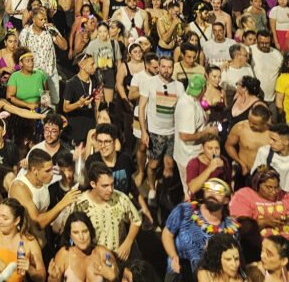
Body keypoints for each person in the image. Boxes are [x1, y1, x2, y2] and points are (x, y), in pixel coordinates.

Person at [161, 180, 239, 281]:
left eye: (218, 191)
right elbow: (167, 234)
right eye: (208, 188)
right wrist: (173, 256)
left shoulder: (230, 228)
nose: (212, 194)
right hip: (179, 274)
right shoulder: (185, 210)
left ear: (226, 200)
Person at [72, 162, 142, 262]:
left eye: (112, 184)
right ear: (93, 184)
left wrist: (128, 243)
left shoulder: (120, 198)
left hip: (117, 259)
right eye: (105, 186)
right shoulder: (80, 204)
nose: (110, 190)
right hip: (91, 261)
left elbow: (136, 221)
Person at [138, 56, 184, 200]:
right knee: (153, 164)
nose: (166, 70)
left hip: (172, 133)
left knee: (169, 166)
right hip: (155, 133)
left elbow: (182, 109)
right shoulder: (149, 83)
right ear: (158, 66)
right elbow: (141, 108)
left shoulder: (179, 86)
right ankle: (151, 187)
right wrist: (144, 131)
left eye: (169, 67)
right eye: (163, 67)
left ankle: (164, 192)